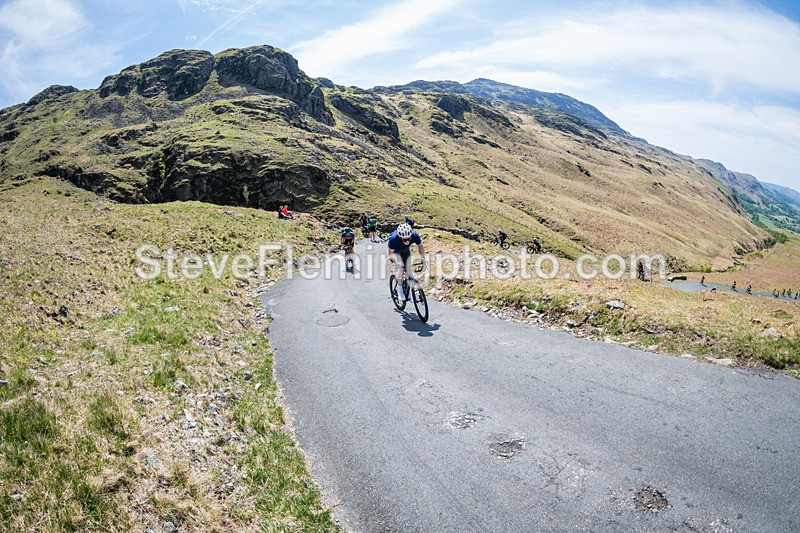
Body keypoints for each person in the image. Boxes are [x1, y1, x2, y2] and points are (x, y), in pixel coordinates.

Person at [388, 222, 426, 301]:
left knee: (409, 270)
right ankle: (400, 288)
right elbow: (391, 254)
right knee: (400, 269)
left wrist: (423, 258)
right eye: (405, 240)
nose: (407, 242)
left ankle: (409, 292)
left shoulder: (414, 236)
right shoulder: (393, 239)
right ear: (400, 237)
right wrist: (397, 263)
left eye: (409, 239)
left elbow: (420, 246)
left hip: (405, 250)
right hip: (396, 251)